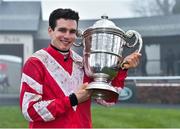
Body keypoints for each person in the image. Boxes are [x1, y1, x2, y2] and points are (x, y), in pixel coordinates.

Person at [19, 8, 141, 128]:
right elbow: (30, 111)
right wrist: (73, 100)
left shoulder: (83, 63)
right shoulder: (35, 62)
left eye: (72, 31)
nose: (67, 36)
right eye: (62, 30)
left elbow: (108, 101)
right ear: (50, 31)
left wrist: (122, 69)